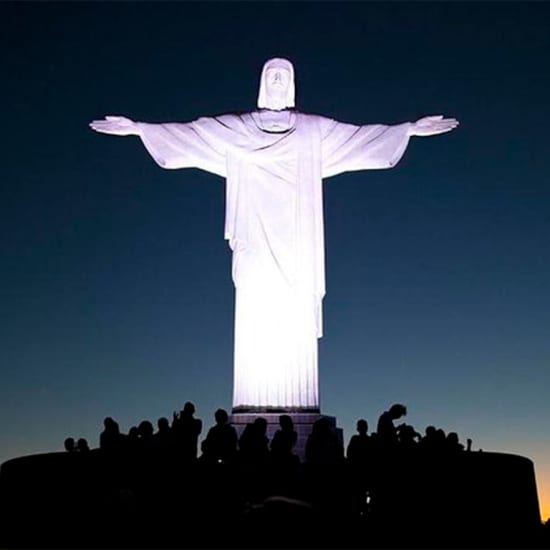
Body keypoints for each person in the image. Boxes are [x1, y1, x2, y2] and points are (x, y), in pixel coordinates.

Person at [90, 58, 458, 411]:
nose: (279, 82)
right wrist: (140, 128)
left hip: (298, 239)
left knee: (294, 307)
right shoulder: (239, 129)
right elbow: (192, 133)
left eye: (285, 76)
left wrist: (407, 129)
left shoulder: (313, 131)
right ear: (263, 84)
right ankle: (252, 401)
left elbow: (359, 139)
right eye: (273, 76)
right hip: (254, 236)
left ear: (293, 85)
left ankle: (299, 401)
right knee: (255, 303)